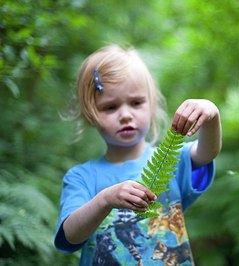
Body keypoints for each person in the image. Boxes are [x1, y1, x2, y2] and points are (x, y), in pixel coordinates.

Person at [54, 44, 222, 265]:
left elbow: (206, 153)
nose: (125, 115)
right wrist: (105, 200)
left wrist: (211, 114)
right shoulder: (81, 177)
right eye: (110, 107)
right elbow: (70, 236)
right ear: (91, 115)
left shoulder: (171, 158)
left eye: (136, 103)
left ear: (151, 106)